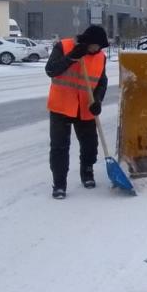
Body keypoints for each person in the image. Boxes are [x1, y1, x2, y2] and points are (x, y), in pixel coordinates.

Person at [45, 25, 109, 199]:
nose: (97, 49)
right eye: (94, 45)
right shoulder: (64, 46)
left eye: (100, 46)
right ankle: (59, 184)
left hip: (85, 107)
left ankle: (87, 172)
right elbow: (51, 70)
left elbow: (101, 82)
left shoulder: (101, 57)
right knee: (59, 147)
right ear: (87, 41)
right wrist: (72, 56)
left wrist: (97, 101)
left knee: (90, 145)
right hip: (62, 106)